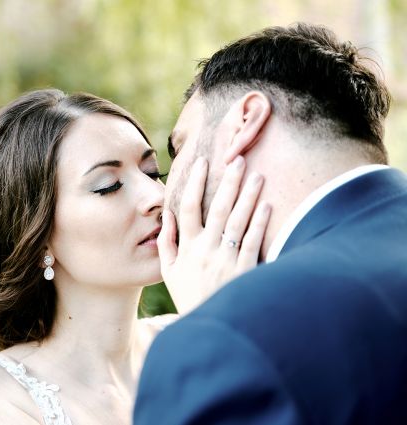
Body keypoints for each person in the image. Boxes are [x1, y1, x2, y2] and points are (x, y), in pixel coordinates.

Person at [0, 89, 271, 425]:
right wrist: (213, 339)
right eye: (108, 185)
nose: (157, 195)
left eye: (152, 172)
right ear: (36, 237)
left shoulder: (186, 332)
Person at [134, 23, 407, 424]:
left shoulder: (230, 337)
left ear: (245, 122)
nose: (162, 193)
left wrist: (217, 321)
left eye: (177, 149)